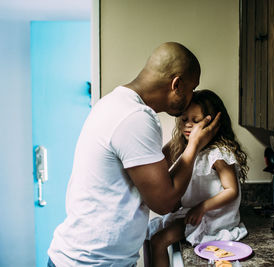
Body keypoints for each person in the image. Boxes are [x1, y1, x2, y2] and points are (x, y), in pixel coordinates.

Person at [47, 42, 221, 267]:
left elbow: (148, 169)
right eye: (190, 89)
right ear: (176, 84)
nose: (191, 96)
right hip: (90, 263)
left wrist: (184, 139)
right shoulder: (136, 118)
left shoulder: (115, 103)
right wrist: (194, 145)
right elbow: (164, 201)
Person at [146, 89, 249, 267]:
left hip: (212, 216)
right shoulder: (184, 145)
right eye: (184, 119)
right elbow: (161, 166)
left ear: (212, 123)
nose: (188, 125)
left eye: (196, 121)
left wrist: (202, 207)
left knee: (158, 241)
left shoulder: (218, 154)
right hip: (191, 212)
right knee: (149, 235)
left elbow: (231, 190)